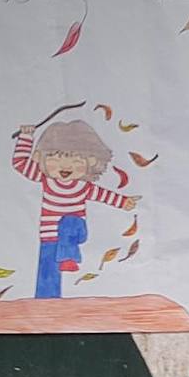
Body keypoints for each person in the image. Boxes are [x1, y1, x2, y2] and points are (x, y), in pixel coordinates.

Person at [11, 118, 140, 300]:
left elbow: (104, 195)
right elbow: (20, 164)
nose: (65, 166)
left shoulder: (83, 187)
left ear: (91, 161)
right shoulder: (46, 180)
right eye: (55, 158)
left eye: (76, 159)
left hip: (74, 231)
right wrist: (26, 136)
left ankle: (68, 256)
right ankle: (47, 301)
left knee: (68, 221)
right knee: (47, 271)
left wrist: (123, 201)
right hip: (49, 235)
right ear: (42, 159)